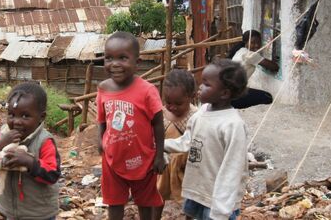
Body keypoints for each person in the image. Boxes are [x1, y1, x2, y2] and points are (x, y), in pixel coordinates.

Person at [165, 59, 249, 220]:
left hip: (219, 199)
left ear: (224, 93)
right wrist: (163, 145)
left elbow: (233, 168)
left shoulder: (233, 125)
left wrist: (221, 209)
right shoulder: (202, 112)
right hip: (198, 189)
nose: (200, 88)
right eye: (201, 82)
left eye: (206, 84)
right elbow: (189, 140)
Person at [96, 31, 166, 220]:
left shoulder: (147, 91)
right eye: (108, 58)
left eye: (123, 58)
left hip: (143, 160)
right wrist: (100, 140)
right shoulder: (103, 88)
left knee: (145, 202)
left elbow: (158, 124)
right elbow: (102, 119)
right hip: (112, 159)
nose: (115, 64)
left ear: (138, 62)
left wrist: (159, 155)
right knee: (114, 202)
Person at [0, 82, 61, 220]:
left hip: (39, 213)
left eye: (25, 116)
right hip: (8, 210)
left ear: (41, 117)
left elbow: (53, 175)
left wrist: (30, 162)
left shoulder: (44, 141)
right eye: (11, 114)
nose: (16, 122)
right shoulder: (3, 135)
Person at [153, 69, 199, 220]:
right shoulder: (160, 115)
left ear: (191, 97)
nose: (172, 107)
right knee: (158, 195)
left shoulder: (196, 116)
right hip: (165, 164)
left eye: (178, 103)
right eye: (168, 102)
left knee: (190, 199)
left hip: (188, 166)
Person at [228, 30, 279, 109]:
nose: (256, 45)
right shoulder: (250, 55)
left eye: (259, 42)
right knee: (268, 97)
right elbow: (274, 67)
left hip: (228, 90)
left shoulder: (240, 50)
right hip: (232, 94)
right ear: (246, 42)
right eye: (253, 42)